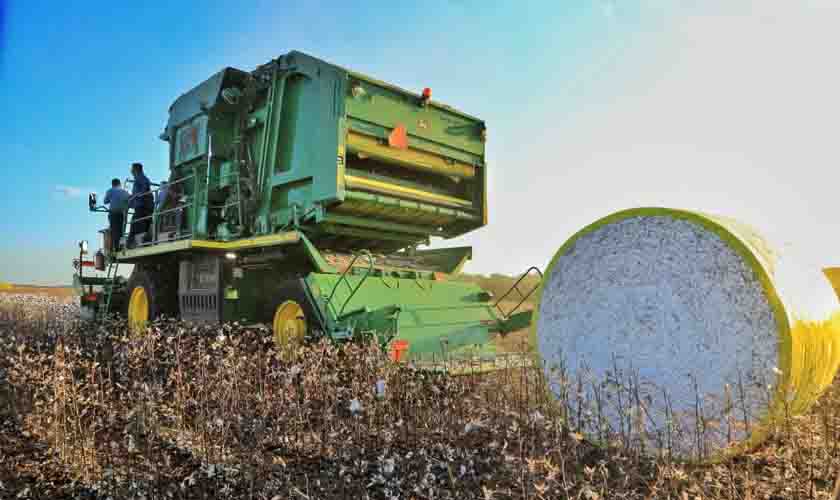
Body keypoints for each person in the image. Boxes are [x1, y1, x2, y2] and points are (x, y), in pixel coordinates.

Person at [127, 162, 153, 247]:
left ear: (136, 170)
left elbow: (143, 189)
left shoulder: (140, 178)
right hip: (144, 205)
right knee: (143, 223)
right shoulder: (141, 178)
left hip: (143, 205)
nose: (131, 171)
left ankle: (129, 242)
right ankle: (144, 239)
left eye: (132, 169)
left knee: (135, 222)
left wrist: (135, 196)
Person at [103, 178, 129, 252]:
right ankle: (121, 246)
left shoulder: (110, 191)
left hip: (113, 213)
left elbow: (105, 201)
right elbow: (129, 199)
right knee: (121, 231)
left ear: (112, 184)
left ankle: (115, 248)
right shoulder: (124, 191)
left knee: (114, 231)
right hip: (122, 213)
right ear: (119, 183)